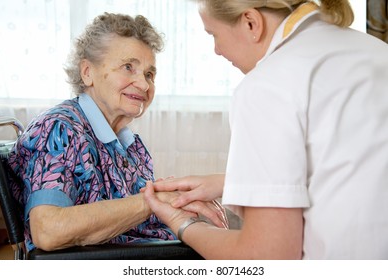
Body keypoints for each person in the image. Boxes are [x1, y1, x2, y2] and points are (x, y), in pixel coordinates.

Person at [144, 0, 388, 259]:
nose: (216, 50)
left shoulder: (268, 85)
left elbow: (267, 256)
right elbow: (353, 173)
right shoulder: (375, 51)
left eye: (213, 34)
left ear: (251, 22)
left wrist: (184, 225)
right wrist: (231, 183)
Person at [7, 12, 227, 253]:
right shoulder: (60, 130)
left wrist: (176, 199)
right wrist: (151, 201)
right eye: (128, 67)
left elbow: (137, 220)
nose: (144, 85)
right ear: (87, 72)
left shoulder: (131, 145)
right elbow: (48, 230)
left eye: (149, 74)